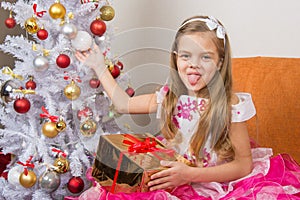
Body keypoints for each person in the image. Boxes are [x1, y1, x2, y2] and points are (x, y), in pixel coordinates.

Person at [75, 15, 300, 200]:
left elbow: (243, 165)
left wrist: (190, 174)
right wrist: (98, 65)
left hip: (212, 183)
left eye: (205, 57)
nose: (193, 64)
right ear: (176, 59)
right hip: (174, 178)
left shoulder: (228, 105)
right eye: (186, 56)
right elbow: (124, 104)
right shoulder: (169, 97)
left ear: (220, 61)